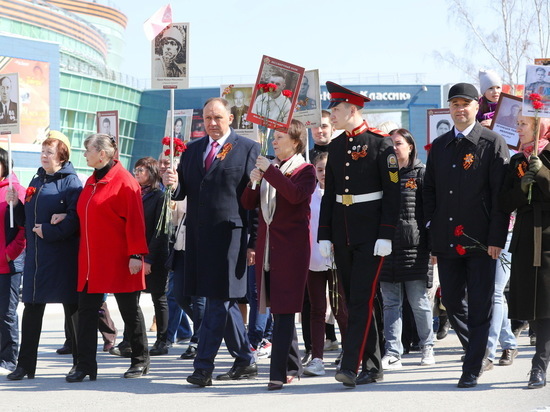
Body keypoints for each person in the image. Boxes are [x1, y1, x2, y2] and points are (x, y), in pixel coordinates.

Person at [163, 97, 259, 387]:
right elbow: (183, 192)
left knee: (217, 301)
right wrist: (173, 183)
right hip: (199, 237)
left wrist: (253, 241)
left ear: (230, 117)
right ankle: (245, 359)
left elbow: (252, 201)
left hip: (231, 237)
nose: (212, 123)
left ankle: (202, 366)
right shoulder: (193, 151)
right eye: (207, 118)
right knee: (224, 302)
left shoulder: (247, 149)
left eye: (218, 117)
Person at [423, 83, 510, 388]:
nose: (460, 109)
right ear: (449, 109)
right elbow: (429, 193)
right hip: (447, 239)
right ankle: (476, 349)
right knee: (452, 301)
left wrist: (497, 238)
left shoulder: (491, 142)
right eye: (455, 104)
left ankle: (471, 366)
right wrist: (432, 238)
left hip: (482, 241)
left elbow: (501, 196)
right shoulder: (441, 145)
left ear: (477, 107)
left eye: (465, 104)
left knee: (481, 302)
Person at [318, 81, 401, 388]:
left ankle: (350, 365)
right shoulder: (336, 146)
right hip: (343, 234)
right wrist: (324, 235)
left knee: (360, 301)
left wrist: (386, 234)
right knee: (358, 300)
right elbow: (331, 195)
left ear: (352, 109)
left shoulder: (381, 144)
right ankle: (374, 365)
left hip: (371, 235)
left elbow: (393, 194)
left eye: (336, 109)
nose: (332, 115)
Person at [67, 133, 149, 382]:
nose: (84, 154)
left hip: (120, 259)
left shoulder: (125, 182)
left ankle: (140, 360)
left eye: (87, 150)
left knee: (129, 310)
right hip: (92, 261)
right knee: (87, 311)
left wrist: (136, 254)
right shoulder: (91, 180)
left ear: (101, 153)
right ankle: (85, 365)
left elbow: (136, 220)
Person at [241, 119, 316, 389]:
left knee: (284, 311)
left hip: (292, 250)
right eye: (274, 136)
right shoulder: (272, 168)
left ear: (295, 142)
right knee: (277, 308)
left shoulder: (305, 170)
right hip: (268, 248)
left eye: (280, 136)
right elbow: (248, 204)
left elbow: (295, 195)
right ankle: (293, 365)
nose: (274, 140)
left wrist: (270, 172)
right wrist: (253, 182)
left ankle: (276, 374)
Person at [6, 132, 81, 380]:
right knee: (32, 308)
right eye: (43, 151)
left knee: (71, 309)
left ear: (62, 155)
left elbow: (75, 221)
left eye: (49, 152)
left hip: (62, 257)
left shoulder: (71, 182)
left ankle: (80, 363)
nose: (44, 156)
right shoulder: (36, 179)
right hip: (36, 259)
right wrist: (15, 205)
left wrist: (47, 231)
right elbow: (26, 220)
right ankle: (25, 365)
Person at [499, 115, 550, 389]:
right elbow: (504, 202)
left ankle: (538, 367)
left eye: (523, 124)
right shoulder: (517, 160)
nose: (517, 128)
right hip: (525, 236)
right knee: (529, 303)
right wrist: (521, 189)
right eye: (517, 123)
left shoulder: (548, 154)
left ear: (539, 126)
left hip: (549, 236)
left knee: (545, 306)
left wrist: (542, 172)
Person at [379, 128, 435, 370]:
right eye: (390, 144)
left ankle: (427, 347)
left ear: (411, 146)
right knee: (391, 303)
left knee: (419, 302)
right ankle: (393, 352)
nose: (394, 148)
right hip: (387, 248)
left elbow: (430, 213)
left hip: (415, 249)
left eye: (399, 143)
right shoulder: (381, 174)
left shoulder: (421, 173)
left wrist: (432, 247)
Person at [302, 151, 348, 377]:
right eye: (319, 170)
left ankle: (348, 355)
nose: (323, 174)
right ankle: (317, 356)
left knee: (340, 309)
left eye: (326, 170)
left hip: (337, 260)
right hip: (314, 258)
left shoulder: (342, 193)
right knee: (317, 309)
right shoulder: (310, 194)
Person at [133, 157, 169, 356]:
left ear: (152, 172)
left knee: (159, 297)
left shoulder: (159, 196)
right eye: (136, 169)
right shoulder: (135, 194)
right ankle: (132, 339)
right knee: (132, 297)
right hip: (135, 254)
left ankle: (162, 341)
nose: (137, 173)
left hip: (154, 254)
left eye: (142, 170)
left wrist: (149, 258)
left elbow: (160, 231)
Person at [0, 148, 25, 376]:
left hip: (8, 264)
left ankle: (8, 360)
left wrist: (9, 254)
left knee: (7, 313)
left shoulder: (15, 190)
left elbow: (23, 230)